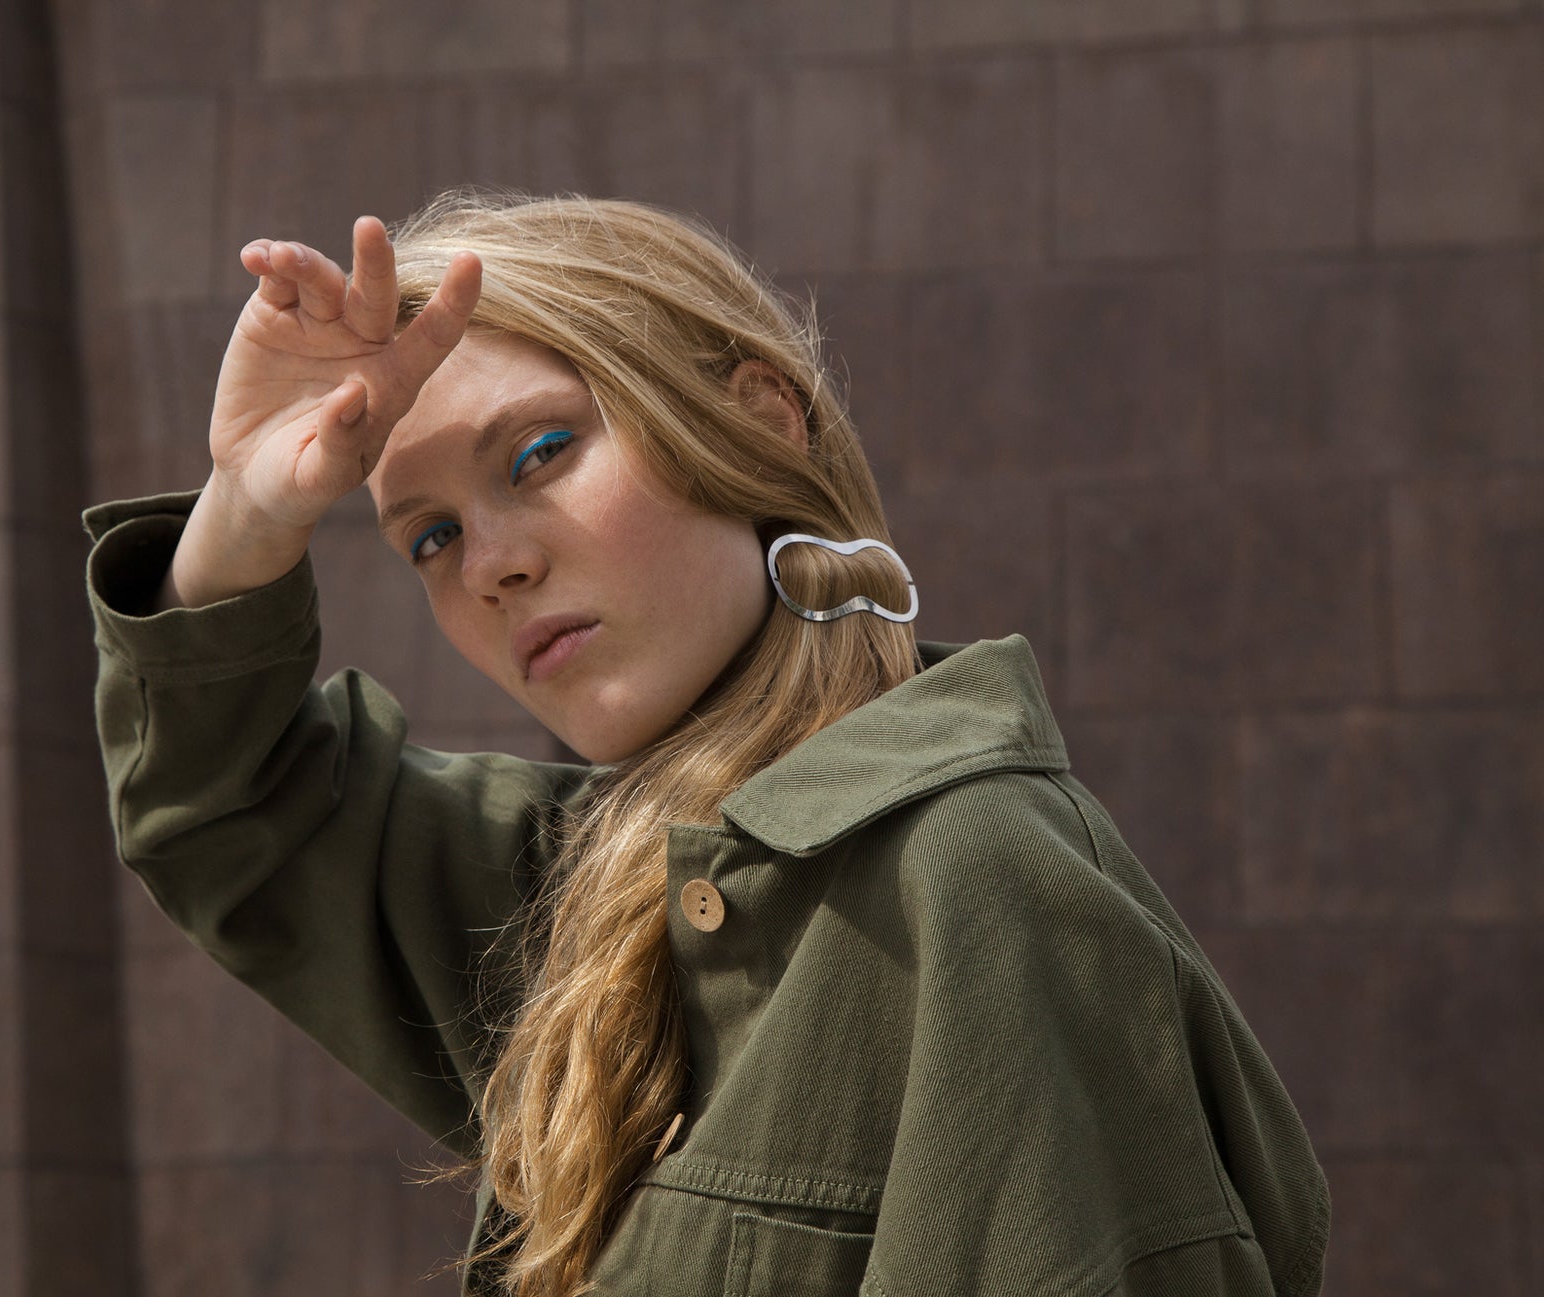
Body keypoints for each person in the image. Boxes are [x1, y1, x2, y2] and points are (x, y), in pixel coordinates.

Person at [83, 191, 1331, 1297]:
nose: (493, 564)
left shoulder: (976, 881)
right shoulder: (579, 895)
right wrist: (247, 514)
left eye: (539, 452)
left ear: (756, 420)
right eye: (429, 539)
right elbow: (234, 815)